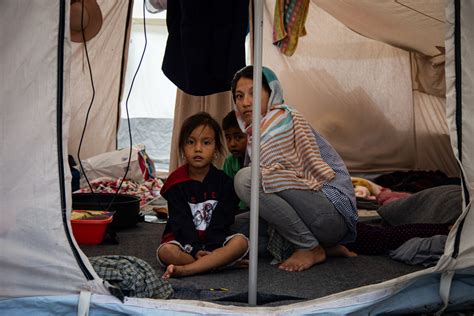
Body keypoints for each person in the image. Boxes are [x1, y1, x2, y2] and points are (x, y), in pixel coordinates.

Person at [231, 65, 358, 272]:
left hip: (330, 211)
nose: (245, 102)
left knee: (245, 179)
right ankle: (324, 246)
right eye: (239, 95)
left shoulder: (281, 118)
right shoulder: (255, 132)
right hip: (310, 213)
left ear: (271, 93)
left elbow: (271, 179)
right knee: (235, 230)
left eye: (254, 93)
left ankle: (309, 247)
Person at [157, 112, 249, 279]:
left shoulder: (225, 183)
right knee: (166, 252)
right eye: (191, 142)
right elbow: (180, 222)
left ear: (215, 149)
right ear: (182, 148)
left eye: (206, 143)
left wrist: (212, 249)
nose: (198, 149)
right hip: (185, 243)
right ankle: (216, 264)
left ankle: (188, 269)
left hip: (215, 242)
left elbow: (222, 221)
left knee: (240, 243)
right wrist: (195, 249)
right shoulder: (176, 183)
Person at [221, 110, 248, 211]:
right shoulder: (229, 162)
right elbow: (226, 194)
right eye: (228, 138)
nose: (232, 144)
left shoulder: (261, 159)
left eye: (238, 137)